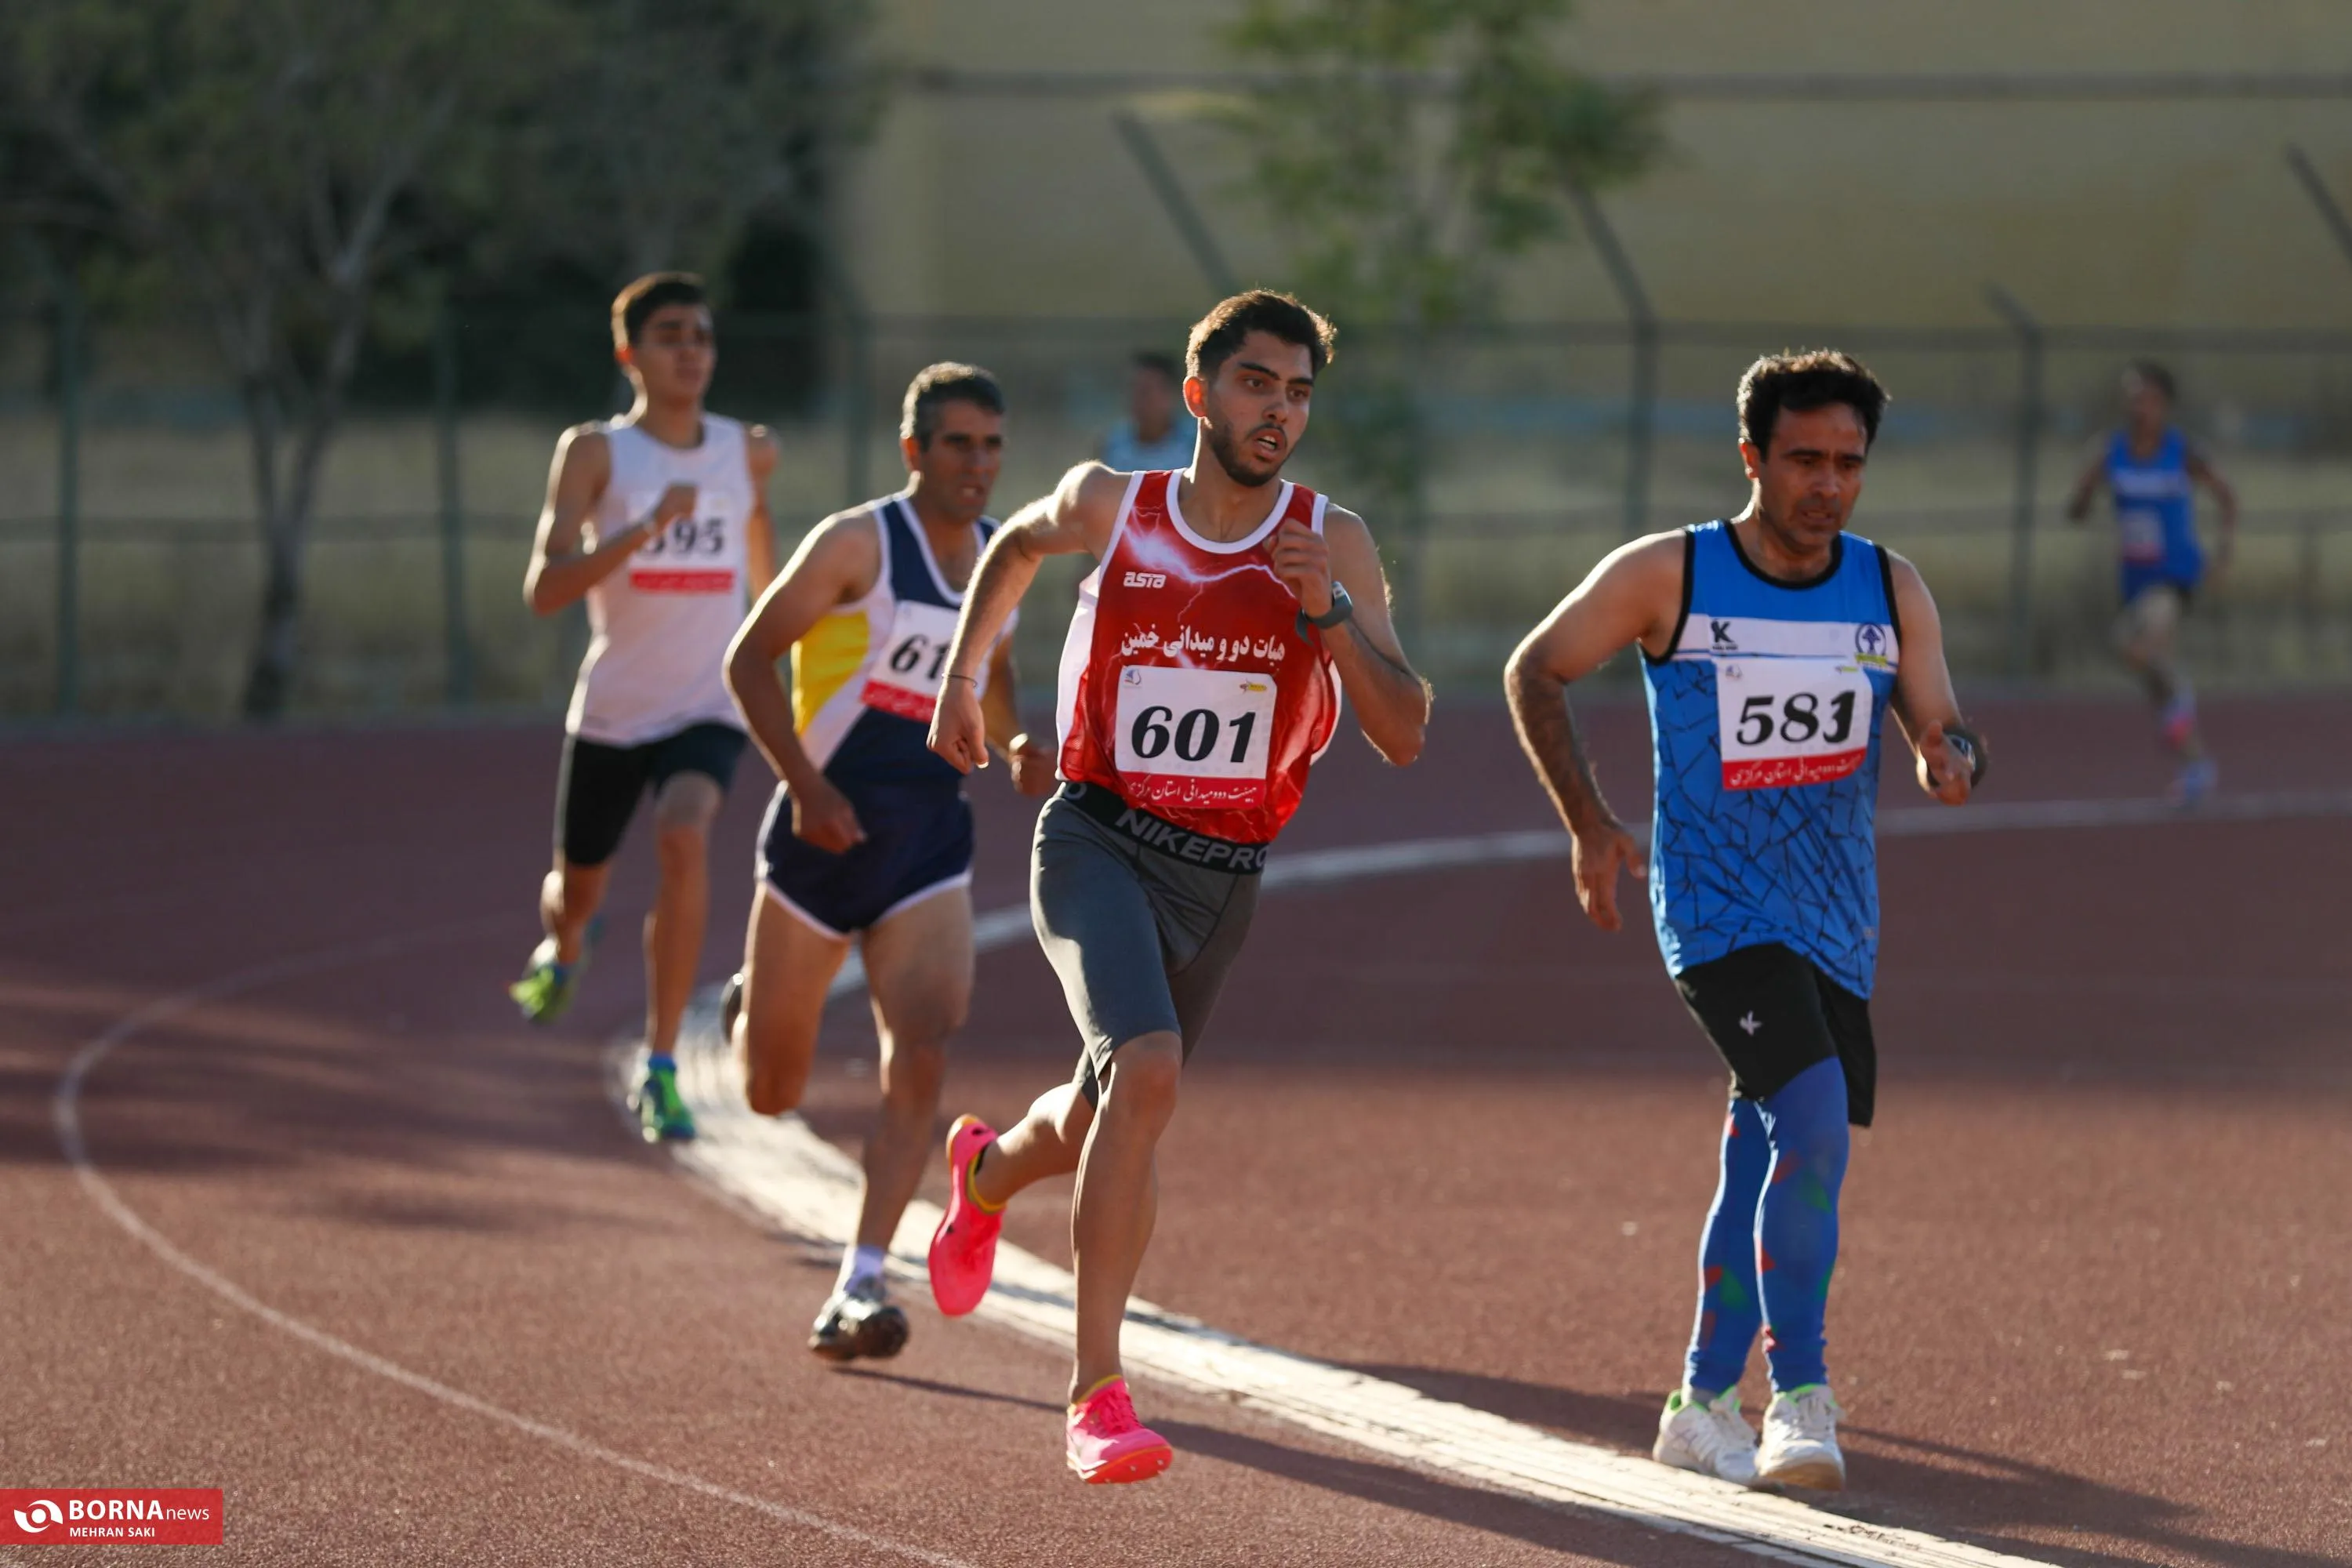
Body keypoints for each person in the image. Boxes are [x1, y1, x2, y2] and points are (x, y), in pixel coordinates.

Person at [923, 291, 1429, 1484]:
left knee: (1104, 1110)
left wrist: (1328, 612)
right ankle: (1096, 1395)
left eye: (1299, 393)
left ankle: (984, 1174)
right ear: (1200, 395)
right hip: (1095, 838)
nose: (1280, 411)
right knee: (1146, 1069)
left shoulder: (1334, 539)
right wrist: (964, 679)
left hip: (1223, 878)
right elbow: (1014, 544)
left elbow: (1404, 730)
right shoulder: (1117, 504)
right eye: (1257, 385)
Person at [1504, 350, 1984, 1493]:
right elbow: (1538, 668)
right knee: (1813, 1130)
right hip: (1717, 912)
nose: (1829, 484)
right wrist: (1588, 821)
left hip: (1836, 918)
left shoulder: (1889, 587)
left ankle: (1699, 1402)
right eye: (1805, 459)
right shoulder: (1671, 573)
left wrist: (1949, 755)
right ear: (1752, 458)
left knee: (1763, 1144)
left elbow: (1945, 724)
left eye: (1849, 463)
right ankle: (1800, 1397)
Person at [719, 364, 1055, 1361]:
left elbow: (995, 673)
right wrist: (805, 787)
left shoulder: (1005, 555)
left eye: (992, 446)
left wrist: (1017, 740)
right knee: (770, 1090)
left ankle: (863, 1278)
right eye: (958, 444)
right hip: (820, 840)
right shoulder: (855, 544)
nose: (979, 464)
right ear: (915, 449)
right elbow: (747, 659)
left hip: (927, 845)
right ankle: (751, 1008)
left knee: (925, 1043)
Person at [512, 272, 777, 1145]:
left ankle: (661, 1066)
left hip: (708, 702)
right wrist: (641, 530)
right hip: (617, 707)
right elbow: (545, 588)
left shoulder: (745, 451)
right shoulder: (597, 454)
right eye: (669, 336)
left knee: (684, 832)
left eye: (701, 335)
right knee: (575, 891)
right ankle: (567, 947)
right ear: (629, 353)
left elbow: (765, 577)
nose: (690, 351)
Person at [2064, 361, 2237, 802]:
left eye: (2147, 398)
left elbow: (2226, 496)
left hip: (2176, 575)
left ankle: (2183, 696)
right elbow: (2077, 507)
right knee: (2152, 674)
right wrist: (2082, 498)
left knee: (2131, 644)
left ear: (2164, 404)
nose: (2138, 406)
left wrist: (2223, 555)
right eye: (2133, 397)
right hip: (2135, 580)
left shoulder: (2182, 451)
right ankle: (2197, 765)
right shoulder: (2111, 451)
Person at [1099, 350, 1196, 474]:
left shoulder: (1195, 443)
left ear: (1171, 394)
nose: (1136, 398)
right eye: (1132, 388)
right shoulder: (1112, 445)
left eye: (1145, 391)